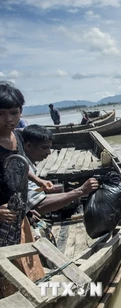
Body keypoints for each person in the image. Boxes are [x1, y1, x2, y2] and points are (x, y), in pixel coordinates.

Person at [0, 84, 52, 247]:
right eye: (0, 114)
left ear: (21, 112)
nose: (8, 119)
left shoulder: (18, 136)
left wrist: (37, 180)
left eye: (14, 113)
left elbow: (20, 167)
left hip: (16, 212)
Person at [22, 125, 99, 215]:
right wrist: (81, 191)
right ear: (28, 146)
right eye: (44, 148)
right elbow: (38, 206)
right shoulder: (23, 167)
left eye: (49, 148)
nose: (49, 152)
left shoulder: (27, 163)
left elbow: (29, 194)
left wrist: (41, 189)